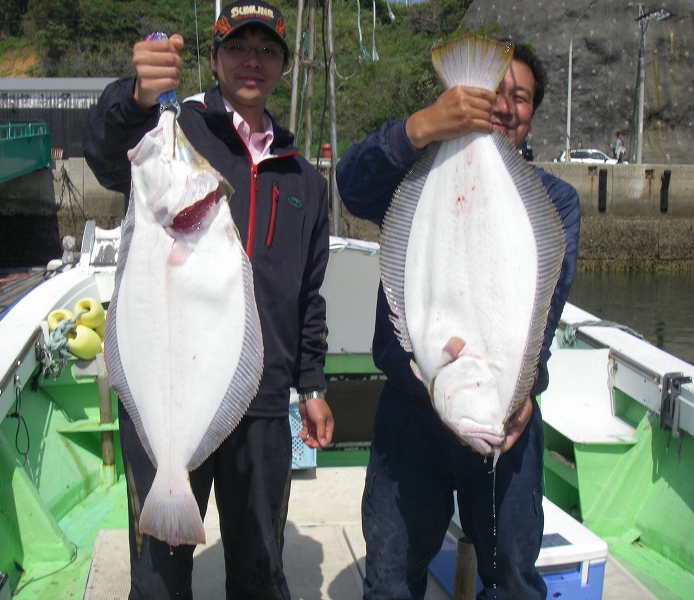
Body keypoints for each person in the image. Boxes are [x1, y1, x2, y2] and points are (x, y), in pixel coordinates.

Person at [83, 2, 335, 598]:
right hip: (167, 394)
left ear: (282, 65)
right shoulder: (175, 130)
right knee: (159, 581)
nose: (252, 60)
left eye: (267, 50)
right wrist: (137, 95)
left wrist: (312, 384)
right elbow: (106, 153)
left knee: (259, 572)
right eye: (238, 47)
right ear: (216, 58)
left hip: (265, 402)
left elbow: (309, 293)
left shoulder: (304, 178)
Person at [336, 42, 581, 600]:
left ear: (532, 114)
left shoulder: (555, 201)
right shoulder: (416, 174)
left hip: (505, 413)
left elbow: (547, 309)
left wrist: (522, 392)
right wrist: (420, 128)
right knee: (391, 580)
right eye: (494, 91)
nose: (505, 106)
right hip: (410, 414)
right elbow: (352, 187)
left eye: (521, 98)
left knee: (513, 580)